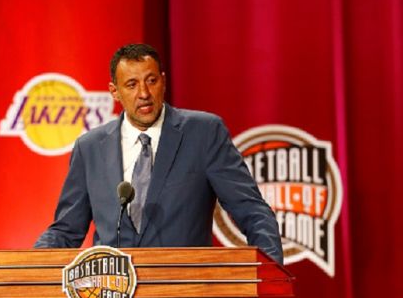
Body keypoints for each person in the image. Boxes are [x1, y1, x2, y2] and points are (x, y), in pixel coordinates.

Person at [34, 43, 283, 264]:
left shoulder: (204, 133)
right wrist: (28, 268)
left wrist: (271, 267)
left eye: (151, 81)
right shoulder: (89, 148)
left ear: (163, 81)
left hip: (187, 297)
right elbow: (66, 230)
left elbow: (250, 210)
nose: (144, 93)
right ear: (114, 92)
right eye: (131, 85)